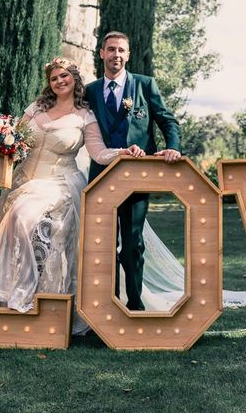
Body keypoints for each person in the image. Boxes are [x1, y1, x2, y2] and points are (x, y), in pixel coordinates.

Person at [0, 58, 145, 319]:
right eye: (54, 78)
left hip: (58, 183)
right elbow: (14, 138)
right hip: (23, 181)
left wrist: (123, 152)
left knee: (22, 217)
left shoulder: (84, 116)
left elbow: (99, 153)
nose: (59, 81)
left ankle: (25, 297)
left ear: (74, 79)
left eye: (64, 76)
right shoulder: (36, 108)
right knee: (11, 223)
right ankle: (4, 298)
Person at [85, 31, 182, 310]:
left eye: (121, 50)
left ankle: (135, 305)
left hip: (136, 180)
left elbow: (167, 121)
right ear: (101, 53)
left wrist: (172, 146)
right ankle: (107, 306)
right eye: (111, 49)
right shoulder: (90, 92)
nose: (116, 55)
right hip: (100, 178)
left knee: (132, 243)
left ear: (128, 55)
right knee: (100, 245)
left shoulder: (144, 85)